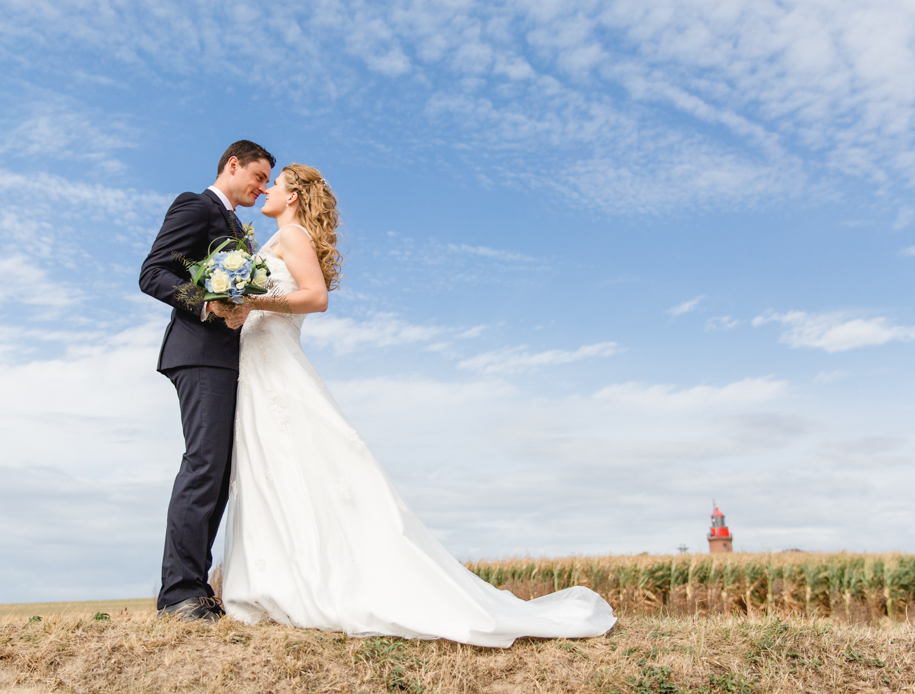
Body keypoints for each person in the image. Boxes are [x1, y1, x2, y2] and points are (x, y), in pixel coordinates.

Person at [211, 164, 617, 647]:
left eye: (275, 185)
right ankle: (275, 580)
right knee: (270, 469)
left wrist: (256, 303)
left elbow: (316, 298)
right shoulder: (279, 238)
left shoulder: (292, 235)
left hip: (277, 368)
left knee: (296, 464)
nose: (267, 189)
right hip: (258, 366)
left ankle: (300, 583)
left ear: (294, 196)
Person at [139, 140, 275, 621]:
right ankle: (177, 594)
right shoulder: (196, 207)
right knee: (203, 467)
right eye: (258, 178)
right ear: (232, 165)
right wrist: (207, 303)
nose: (262, 189)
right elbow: (153, 272)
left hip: (228, 357)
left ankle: (196, 588)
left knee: (216, 476)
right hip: (198, 354)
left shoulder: (238, 226)